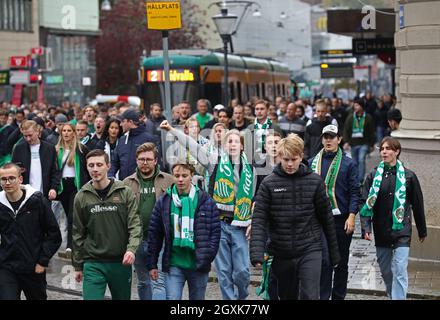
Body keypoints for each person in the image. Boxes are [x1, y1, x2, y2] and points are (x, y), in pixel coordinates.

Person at [160, 121, 256, 300]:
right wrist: (172, 130)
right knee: (224, 271)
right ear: (224, 145)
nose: (232, 144)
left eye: (236, 141)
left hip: (240, 225)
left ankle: (240, 298)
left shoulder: (251, 170)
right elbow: (193, 146)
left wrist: (251, 220)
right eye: (229, 141)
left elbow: (252, 198)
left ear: (242, 146)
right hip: (218, 223)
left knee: (242, 272)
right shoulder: (214, 162)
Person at [250, 135, 340, 300]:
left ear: (301, 156)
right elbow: (259, 220)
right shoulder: (269, 184)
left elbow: (326, 218)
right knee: (287, 296)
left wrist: (334, 253)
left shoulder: (314, 182)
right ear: (280, 158)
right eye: (286, 159)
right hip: (281, 251)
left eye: (294, 159)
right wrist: (257, 253)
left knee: (310, 295)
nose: (290, 164)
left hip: (310, 248)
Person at [360, 137, 427, 300]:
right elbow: (365, 203)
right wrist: (366, 228)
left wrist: (421, 229)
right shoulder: (373, 176)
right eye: (382, 148)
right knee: (385, 270)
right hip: (381, 230)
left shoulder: (409, 177)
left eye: (388, 148)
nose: (384, 151)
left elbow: (418, 204)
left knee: (400, 269)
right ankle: (393, 294)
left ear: (397, 151)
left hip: (402, 230)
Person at [72, 149, 142, 300]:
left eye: (99, 164)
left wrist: (131, 249)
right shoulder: (81, 196)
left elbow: (135, 225)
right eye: (91, 165)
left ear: (108, 166)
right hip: (93, 263)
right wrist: (78, 265)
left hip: (120, 262)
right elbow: (78, 232)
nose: (95, 169)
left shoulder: (124, 192)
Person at [147, 163, 220, 300]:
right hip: (174, 263)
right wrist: (152, 264)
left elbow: (215, 232)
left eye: (184, 176)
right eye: (177, 176)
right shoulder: (164, 201)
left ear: (191, 176)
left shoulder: (205, 201)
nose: (180, 179)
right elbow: (154, 234)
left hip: (198, 263)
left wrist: (207, 256)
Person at [309, 124, 360, 300]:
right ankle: (323, 296)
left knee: (341, 262)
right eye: (326, 137)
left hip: (341, 220)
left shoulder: (349, 164)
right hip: (318, 220)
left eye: (332, 137)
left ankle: (338, 296)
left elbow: (355, 192)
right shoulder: (311, 162)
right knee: (323, 261)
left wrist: (352, 216)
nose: (328, 140)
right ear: (322, 139)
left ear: (339, 139)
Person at [0, 162, 61, 300]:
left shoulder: (37, 201)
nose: (7, 182)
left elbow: (53, 234)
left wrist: (42, 261)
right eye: (3, 179)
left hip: (33, 267)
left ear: (20, 179)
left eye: (11, 178)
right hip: (7, 267)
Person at [123, 143, 174, 300]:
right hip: (137, 239)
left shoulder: (169, 180)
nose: (145, 163)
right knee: (143, 281)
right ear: (136, 160)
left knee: (158, 281)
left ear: (155, 160)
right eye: (141, 159)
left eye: (148, 159)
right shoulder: (127, 183)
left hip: (161, 239)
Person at [55, 123, 90, 255]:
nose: (66, 133)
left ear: (74, 133)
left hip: (76, 186)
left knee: (72, 216)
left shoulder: (81, 149)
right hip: (63, 187)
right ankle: (78, 240)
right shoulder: (57, 149)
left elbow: (87, 169)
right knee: (69, 215)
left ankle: (70, 245)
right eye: (64, 131)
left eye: (69, 130)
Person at [11, 120, 60, 201]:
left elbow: (55, 171)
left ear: (37, 131)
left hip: (45, 194)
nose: (28, 139)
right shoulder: (18, 148)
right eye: (25, 136)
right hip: (24, 195)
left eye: (30, 135)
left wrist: (54, 188)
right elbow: (13, 171)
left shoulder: (49, 148)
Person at [109, 108, 159, 180]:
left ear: (130, 122)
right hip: (124, 186)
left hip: (143, 186)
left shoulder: (148, 139)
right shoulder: (122, 139)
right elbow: (114, 162)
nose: (120, 124)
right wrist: (110, 176)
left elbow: (157, 164)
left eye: (123, 121)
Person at [343, 98, 375, 185]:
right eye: (354, 105)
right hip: (353, 143)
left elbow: (372, 131)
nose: (355, 107)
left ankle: (360, 179)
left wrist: (371, 144)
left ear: (362, 106)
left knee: (361, 159)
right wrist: (346, 141)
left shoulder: (368, 118)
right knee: (355, 162)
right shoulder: (350, 117)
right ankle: (356, 179)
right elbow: (346, 129)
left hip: (364, 143)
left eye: (357, 105)